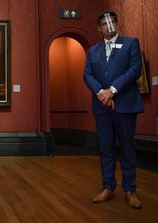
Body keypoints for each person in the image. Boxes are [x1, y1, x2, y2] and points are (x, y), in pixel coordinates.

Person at [83, 11, 144, 209]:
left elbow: (135, 69)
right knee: (106, 147)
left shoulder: (131, 43)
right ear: (99, 27)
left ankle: (130, 189)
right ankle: (108, 186)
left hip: (125, 105)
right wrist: (102, 92)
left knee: (127, 148)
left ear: (117, 24)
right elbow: (87, 75)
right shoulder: (93, 51)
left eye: (111, 22)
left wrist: (112, 90)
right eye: (104, 23)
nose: (108, 25)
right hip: (102, 106)